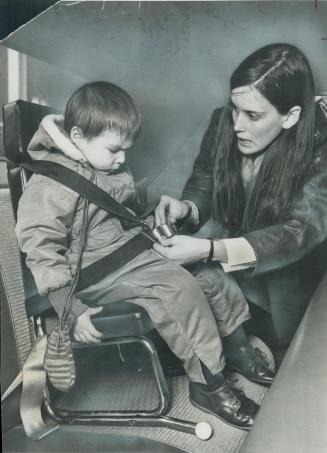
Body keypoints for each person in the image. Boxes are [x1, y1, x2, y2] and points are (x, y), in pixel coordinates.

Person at [15, 81, 267, 431]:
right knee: (177, 288)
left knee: (209, 273)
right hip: (93, 277)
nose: (122, 159)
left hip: (129, 257)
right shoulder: (50, 184)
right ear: (76, 135)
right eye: (115, 149)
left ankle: (235, 349)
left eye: (125, 151)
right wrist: (71, 311)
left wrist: (151, 218)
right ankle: (209, 385)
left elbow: (111, 218)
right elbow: (40, 251)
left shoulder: (103, 164)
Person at [154, 43, 327, 357]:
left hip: (284, 296)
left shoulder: (323, 143)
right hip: (229, 282)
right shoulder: (222, 121)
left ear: (291, 117)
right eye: (235, 109)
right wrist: (188, 208)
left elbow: (299, 231)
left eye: (253, 115)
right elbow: (203, 184)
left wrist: (210, 249)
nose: (236, 125)